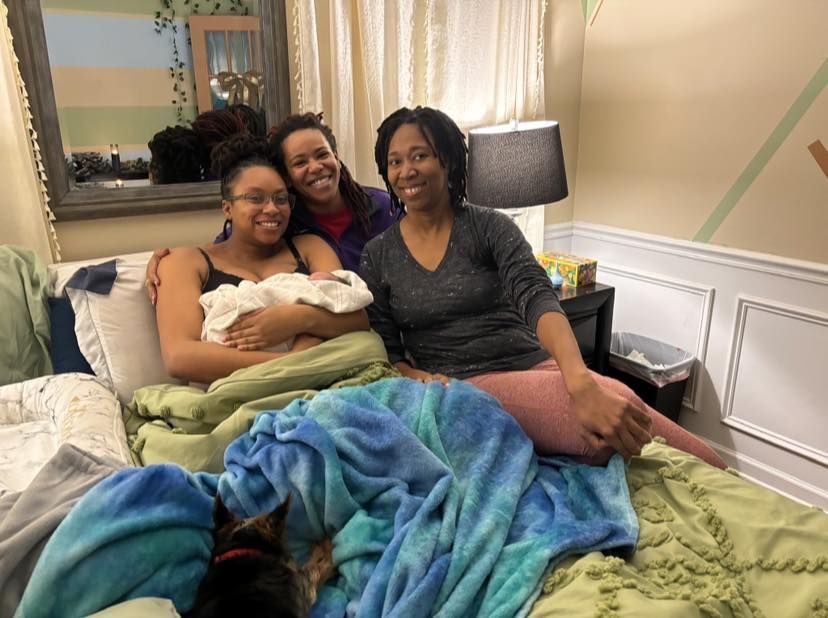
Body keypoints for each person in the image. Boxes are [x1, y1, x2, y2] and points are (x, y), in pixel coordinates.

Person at [360, 105, 727, 468]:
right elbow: (390, 354)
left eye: (419, 155)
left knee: (615, 404)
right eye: (395, 161)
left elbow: (536, 295)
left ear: (449, 161)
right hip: (467, 384)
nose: (407, 170)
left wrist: (578, 378)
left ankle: (723, 476)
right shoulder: (378, 255)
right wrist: (420, 378)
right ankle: (718, 476)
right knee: (609, 412)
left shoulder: (490, 226)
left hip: (534, 365)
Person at [154, 133, 369, 385]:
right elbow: (179, 357)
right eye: (255, 198)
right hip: (243, 396)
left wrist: (295, 319)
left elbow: (357, 318)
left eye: (280, 198)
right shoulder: (186, 261)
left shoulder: (310, 247)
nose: (271, 209)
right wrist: (292, 364)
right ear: (227, 208)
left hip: (324, 390)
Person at [144, 112, 398, 303]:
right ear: (286, 175)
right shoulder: (284, 220)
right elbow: (231, 246)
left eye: (322, 154)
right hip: (343, 331)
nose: (315, 167)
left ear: (337, 158)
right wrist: (167, 260)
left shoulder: (383, 207)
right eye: (300, 162)